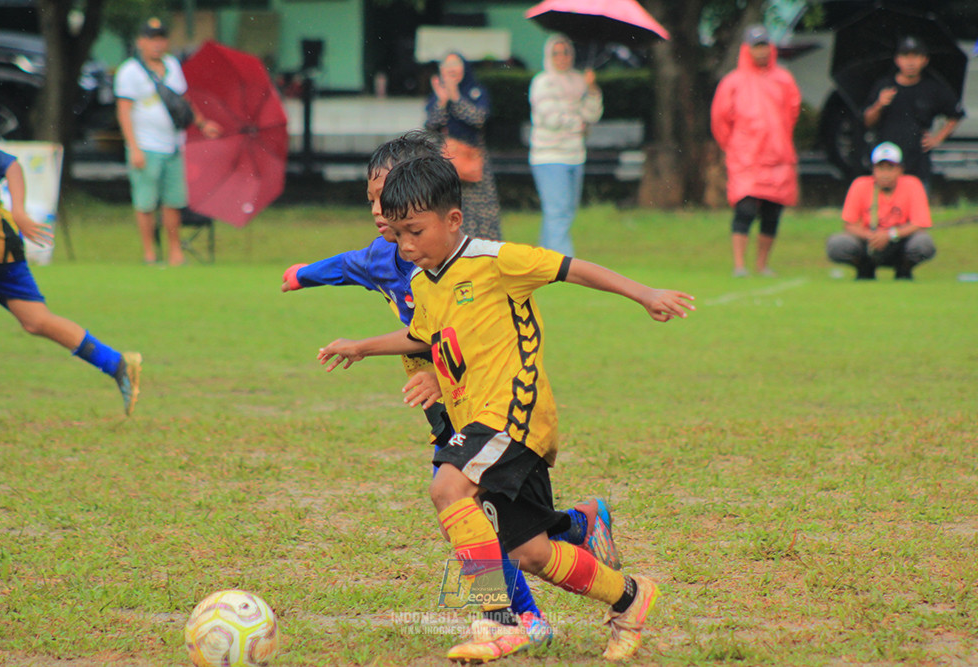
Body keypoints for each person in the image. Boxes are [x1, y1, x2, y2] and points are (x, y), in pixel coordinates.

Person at [317, 154, 695, 662]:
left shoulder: (496, 260)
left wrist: (643, 293)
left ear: (453, 219)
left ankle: (499, 621)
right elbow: (420, 337)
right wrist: (362, 346)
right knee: (530, 552)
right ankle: (630, 597)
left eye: (415, 231)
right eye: (399, 234)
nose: (405, 245)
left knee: (447, 486)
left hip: (512, 415)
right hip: (482, 420)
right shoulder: (425, 283)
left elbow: (572, 268)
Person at [0, 140, 142, 415]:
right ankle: (117, 364)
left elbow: (11, 165)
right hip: (1, 248)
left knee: (37, 320)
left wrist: (19, 210)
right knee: (36, 321)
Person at [115, 17, 220, 266]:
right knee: (146, 203)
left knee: (173, 203)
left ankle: (175, 252)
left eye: (161, 38)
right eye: (151, 39)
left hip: (173, 145)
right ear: (141, 42)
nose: (157, 44)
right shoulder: (129, 72)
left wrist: (203, 123)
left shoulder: (173, 65)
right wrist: (134, 147)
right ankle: (150, 253)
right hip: (146, 147)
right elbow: (124, 112)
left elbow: (183, 101)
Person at [711, 24, 800, 278]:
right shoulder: (733, 82)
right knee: (745, 209)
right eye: (755, 47)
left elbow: (792, 114)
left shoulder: (784, 79)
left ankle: (762, 264)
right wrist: (736, 146)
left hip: (778, 157)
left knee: (772, 212)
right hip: (746, 158)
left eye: (764, 46)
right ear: (746, 49)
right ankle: (739, 264)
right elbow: (720, 120)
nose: (760, 52)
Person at [528, 34, 603, 257]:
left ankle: (543, 259)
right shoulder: (542, 82)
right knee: (557, 211)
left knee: (566, 211)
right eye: (556, 53)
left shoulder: (579, 80)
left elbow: (593, 113)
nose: (561, 57)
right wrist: (578, 122)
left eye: (565, 52)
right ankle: (564, 263)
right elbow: (551, 118)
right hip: (549, 156)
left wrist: (591, 89)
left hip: (575, 154)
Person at [864, 36, 964, 187]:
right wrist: (879, 104)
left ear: (924, 60)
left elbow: (955, 114)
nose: (910, 62)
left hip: (918, 161)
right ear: (897, 59)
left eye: (916, 56)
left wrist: (937, 138)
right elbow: (867, 121)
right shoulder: (884, 85)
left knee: (917, 203)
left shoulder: (933, 89)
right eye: (905, 56)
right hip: (887, 161)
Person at [827, 142, 936, 280]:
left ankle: (904, 269)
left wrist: (890, 235)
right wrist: (871, 237)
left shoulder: (912, 185)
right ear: (873, 170)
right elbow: (849, 224)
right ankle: (864, 268)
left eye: (890, 168)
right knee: (838, 244)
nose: (885, 174)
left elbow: (919, 224)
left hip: (900, 241)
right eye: (880, 168)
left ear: (900, 169)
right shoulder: (860, 185)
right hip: (868, 242)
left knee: (923, 242)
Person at [425, 52, 502, 241]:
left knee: (482, 215)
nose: (452, 69)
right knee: (448, 211)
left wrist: (456, 97)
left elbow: (479, 119)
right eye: (447, 65)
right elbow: (431, 126)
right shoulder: (436, 96)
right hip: (446, 166)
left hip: (474, 164)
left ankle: (485, 258)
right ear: (441, 71)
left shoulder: (476, 91)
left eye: (456, 64)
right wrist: (443, 101)